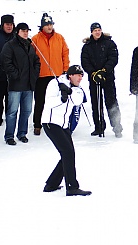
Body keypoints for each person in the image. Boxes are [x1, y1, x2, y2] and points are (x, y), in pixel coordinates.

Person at [41, 65, 91, 196]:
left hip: (64, 126)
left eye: (82, 75)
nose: (81, 78)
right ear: (71, 75)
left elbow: (77, 100)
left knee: (68, 153)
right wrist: (61, 97)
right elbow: (49, 102)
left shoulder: (78, 88)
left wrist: (69, 91)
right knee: (67, 152)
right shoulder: (55, 83)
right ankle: (72, 187)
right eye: (79, 75)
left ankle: (51, 184)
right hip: (51, 123)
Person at [0, 23, 40, 145]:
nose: (26, 33)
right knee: (12, 112)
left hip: (28, 85)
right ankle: (9, 136)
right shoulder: (10, 45)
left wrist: (34, 73)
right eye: (23, 31)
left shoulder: (30, 45)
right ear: (18, 32)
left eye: (27, 31)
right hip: (16, 85)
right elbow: (6, 61)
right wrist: (15, 75)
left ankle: (22, 133)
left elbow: (36, 61)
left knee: (27, 111)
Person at [81, 22, 123, 138]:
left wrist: (104, 70)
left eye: (99, 30)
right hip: (94, 79)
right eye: (95, 30)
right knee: (96, 104)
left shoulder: (109, 43)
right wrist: (93, 73)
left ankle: (117, 128)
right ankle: (98, 127)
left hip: (108, 78)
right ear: (91, 32)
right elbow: (85, 62)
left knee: (112, 103)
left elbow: (113, 58)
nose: (97, 32)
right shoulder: (87, 46)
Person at [31, 13, 70, 136]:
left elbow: (65, 54)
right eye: (46, 25)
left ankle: (55, 123)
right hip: (41, 76)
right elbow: (31, 56)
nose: (49, 27)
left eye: (50, 24)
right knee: (40, 100)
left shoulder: (59, 38)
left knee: (57, 100)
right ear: (42, 26)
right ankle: (37, 125)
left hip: (56, 75)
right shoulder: (35, 39)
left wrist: (65, 70)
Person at [0, 14, 15, 127]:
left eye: (11, 24)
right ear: (3, 25)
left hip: (12, 74)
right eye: (7, 24)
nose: (9, 27)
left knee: (11, 99)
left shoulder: (16, 35)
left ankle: (10, 119)